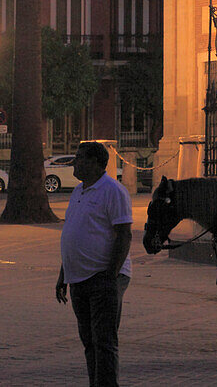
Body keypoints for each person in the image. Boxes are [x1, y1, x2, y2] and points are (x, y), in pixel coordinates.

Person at [55, 141, 132, 387]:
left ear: (96, 162)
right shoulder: (79, 191)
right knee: (89, 340)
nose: (75, 162)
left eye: (80, 157)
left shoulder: (113, 190)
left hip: (103, 276)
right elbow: (71, 232)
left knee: (104, 341)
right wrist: (63, 274)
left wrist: (111, 275)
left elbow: (124, 234)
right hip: (78, 278)